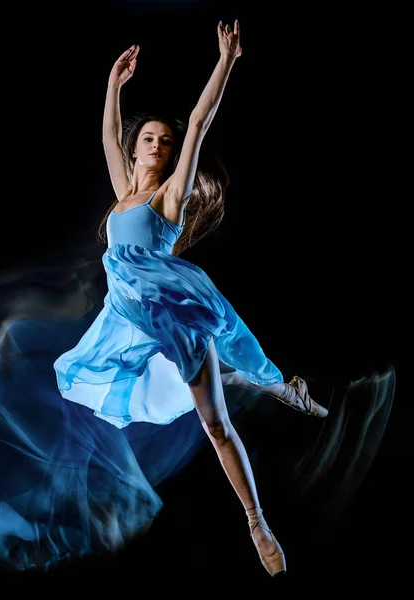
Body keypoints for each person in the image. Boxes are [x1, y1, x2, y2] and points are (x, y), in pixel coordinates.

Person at [53, 20, 329, 578]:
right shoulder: (122, 193)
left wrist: (225, 60)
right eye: (148, 138)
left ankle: (257, 523)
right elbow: (107, 138)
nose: (156, 144)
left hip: (176, 318)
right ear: (136, 150)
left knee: (216, 426)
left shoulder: (168, 196)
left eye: (165, 140)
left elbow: (200, 121)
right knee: (105, 380)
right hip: (128, 319)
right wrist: (113, 85)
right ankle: (264, 382)